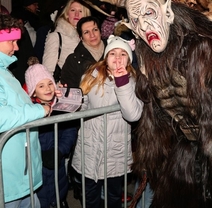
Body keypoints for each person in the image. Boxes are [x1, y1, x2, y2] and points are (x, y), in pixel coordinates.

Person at [71, 35, 144, 208]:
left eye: (122, 54)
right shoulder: (90, 76)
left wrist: (122, 82)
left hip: (114, 152)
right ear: (106, 57)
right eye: (113, 53)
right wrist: (69, 99)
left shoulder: (134, 81)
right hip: (90, 149)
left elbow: (132, 115)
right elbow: (82, 108)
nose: (117, 58)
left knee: (113, 197)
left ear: (128, 59)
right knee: (90, 197)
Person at [0, 14, 51, 208]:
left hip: (22, 176)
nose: (17, 47)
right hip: (10, 180)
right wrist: (38, 110)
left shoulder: (5, 71)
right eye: (12, 41)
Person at [24, 60, 77, 208]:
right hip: (37, 168)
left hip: (57, 163)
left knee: (58, 191)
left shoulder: (61, 106)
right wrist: (40, 155)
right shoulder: (30, 112)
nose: (47, 89)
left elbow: (70, 132)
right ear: (33, 91)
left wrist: (59, 151)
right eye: (41, 86)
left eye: (49, 83)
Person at [42, 0, 91, 77]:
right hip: (64, 87)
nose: (77, 14)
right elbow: (47, 71)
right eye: (73, 10)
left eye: (80, 11)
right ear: (67, 13)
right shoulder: (56, 37)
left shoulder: (88, 38)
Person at [61, 15, 106, 88]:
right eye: (86, 32)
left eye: (95, 30)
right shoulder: (73, 61)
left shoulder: (114, 51)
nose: (92, 35)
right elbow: (71, 92)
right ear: (81, 37)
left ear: (100, 31)